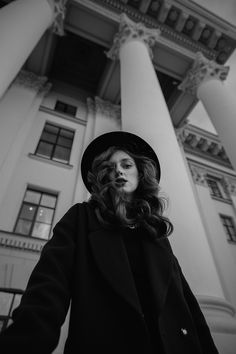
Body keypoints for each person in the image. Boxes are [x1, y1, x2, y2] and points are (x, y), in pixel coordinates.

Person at [0, 131, 219, 354]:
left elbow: (188, 307)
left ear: (140, 172)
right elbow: (47, 291)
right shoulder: (81, 218)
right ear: (102, 176)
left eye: (126, 164)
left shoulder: (155, 232)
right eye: (110, 166)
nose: (119, 170)